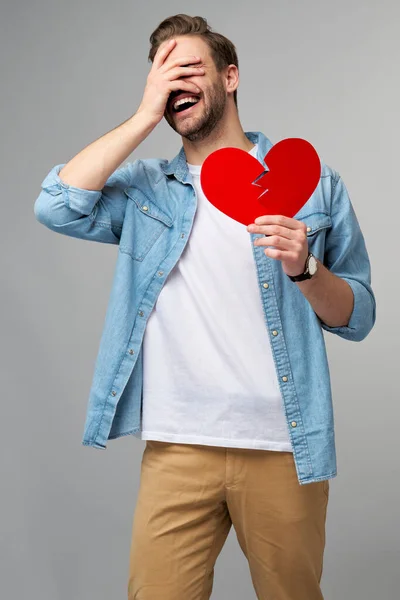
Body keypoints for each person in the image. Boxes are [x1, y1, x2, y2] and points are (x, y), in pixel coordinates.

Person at [34, 13, 376, 600]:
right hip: (178, 447)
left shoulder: (312, 184)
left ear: (231, 75)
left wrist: (305, 267)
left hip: (281, 445)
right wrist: (144, 116)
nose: (175, 83)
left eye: (188, 67)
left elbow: (358, 315)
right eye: (162, 75)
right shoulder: (146, 189)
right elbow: (57, 206)